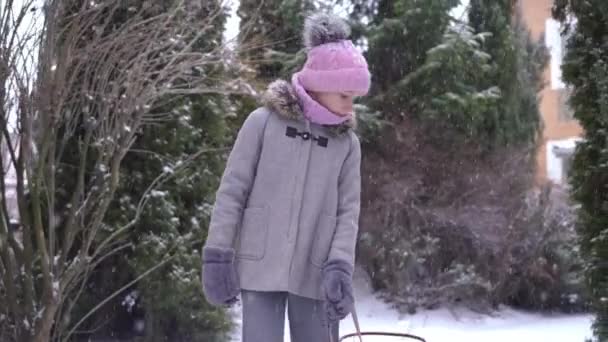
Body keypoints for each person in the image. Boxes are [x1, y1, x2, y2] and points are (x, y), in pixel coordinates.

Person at [201, 11, 371, 342]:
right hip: (260, 265)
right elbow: (232, 192)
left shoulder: (347, 145)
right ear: (322, 86)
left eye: (355, 99)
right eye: (345, 96)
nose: (351, 107)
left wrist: (339, 266)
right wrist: (217, 254)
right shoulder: (262, 123)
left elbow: (347, 214)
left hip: (316, 272)